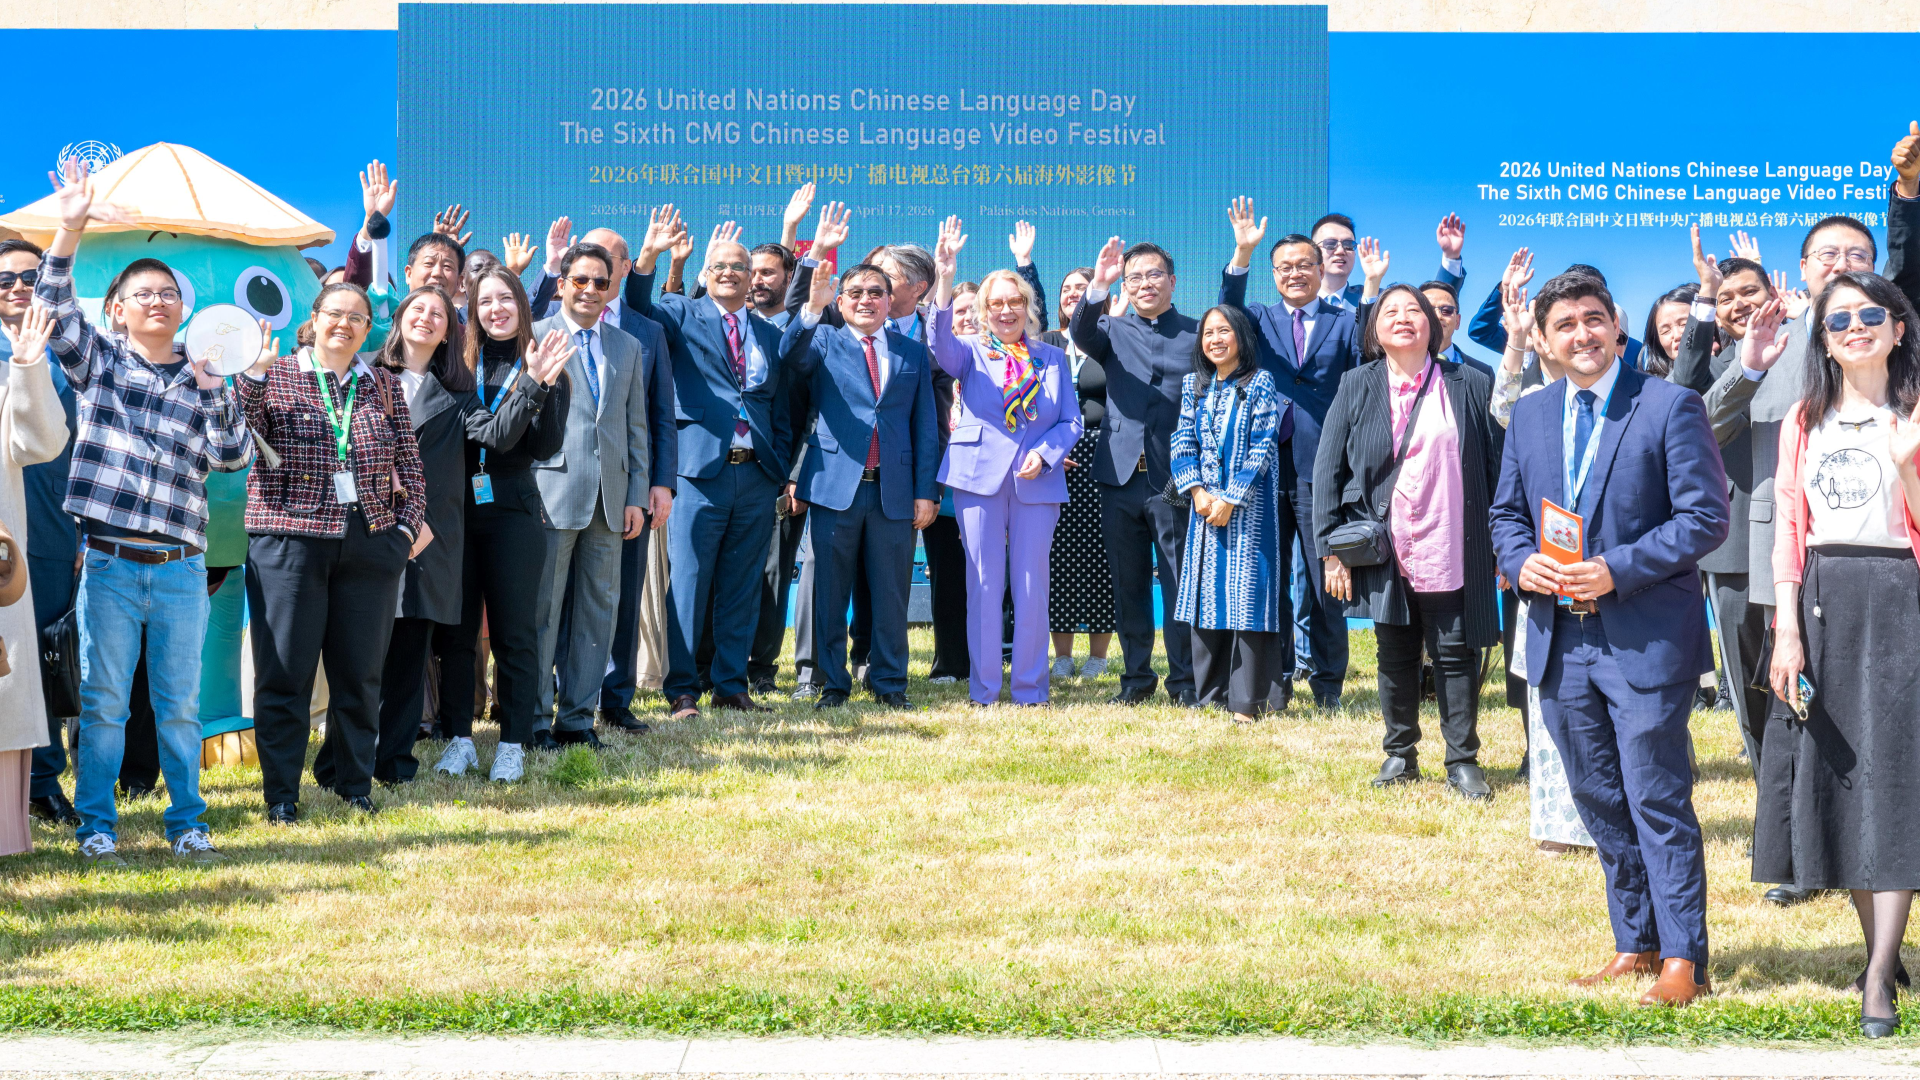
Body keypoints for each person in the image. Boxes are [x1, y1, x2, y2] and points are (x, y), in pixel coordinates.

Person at [1490, 272, 1730, 1007]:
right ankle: (1636, 941)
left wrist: (1615, 571)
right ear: (1543, 339)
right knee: (1596, 796)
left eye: (1593, 319)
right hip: (1559, 639)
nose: (1582, 335)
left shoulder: (1669, 405)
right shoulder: (1532, 413)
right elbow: (1506, 515)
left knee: (1656, 797)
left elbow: (1704, 518)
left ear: (1616, 326)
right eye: (1564, 325)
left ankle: (1684, 959)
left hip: (1643, 638)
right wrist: (1519, 562)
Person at [1709, 125, 1920, 908]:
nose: (1841, 263)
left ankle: (1864, 849)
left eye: (1857, 254)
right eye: (1826, 254)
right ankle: (1798, 846)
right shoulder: (1771, 338)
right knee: (1771, 707)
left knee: (1860, 713)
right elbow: (1705, 425)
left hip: (1858, 558)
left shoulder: (1873, 338)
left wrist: (1906, 196)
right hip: (1764, 551)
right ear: (1799, 269)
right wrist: (1749, 362)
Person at [38, 161, 252, 863]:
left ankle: (187, 821)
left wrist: (214, 388)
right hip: (110, 564)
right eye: (143, 294)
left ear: (182, 309)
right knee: (104, 703)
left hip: (182, 568)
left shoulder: (207, 376)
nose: (157, 301)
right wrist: (71, 226)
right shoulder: (98, 362)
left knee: (179, 706)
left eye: (168, 293)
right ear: (118, 310)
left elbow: (231, 456)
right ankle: (96, 826)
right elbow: (53, 303)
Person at [1757, 271, 1920, 1038]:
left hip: (1902, 598)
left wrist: (1910, 463)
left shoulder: (1915, 412)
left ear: (1897, 328)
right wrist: (1786, 629)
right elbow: (1789, 530)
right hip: (1824, 602)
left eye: (1869, 315)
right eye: (1837, 320)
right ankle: (1878, 948)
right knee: (1845, 778)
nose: (1855, 327)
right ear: (1821, 340)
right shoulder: (1803, 418)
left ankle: (1880, 974)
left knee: (1896, 779)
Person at [240, 282, 429, 821]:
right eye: (334, 314)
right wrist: (252, 378)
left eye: (357, 318)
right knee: (285, 673)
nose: (344, 324)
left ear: (369, 329)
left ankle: (353, 784)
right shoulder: (274, 374)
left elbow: (411, 467)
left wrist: (402, 532)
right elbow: (238, 437)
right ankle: (282, 795)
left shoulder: (383, 384)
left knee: (360, 674)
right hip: (289, 540)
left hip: (369, 543)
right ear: (314, 318)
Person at [1316, 284, 1503, 799]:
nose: (1403, 318)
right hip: (1385, 546)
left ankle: (1463, 760)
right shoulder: (1357, 383)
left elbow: (1495, 466)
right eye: (1390, 311)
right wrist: (1330, 551)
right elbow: (1328, 469)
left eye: (1414, 310)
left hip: (1452, 541)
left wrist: (1502, 544)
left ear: (1433, 324)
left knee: (1456, 653)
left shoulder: (1470, 382)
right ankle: (1400, 754)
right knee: (1394, 652)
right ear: (1374, 329)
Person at [630, 208, 790, 721]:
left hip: (756, 474)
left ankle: (730, 685)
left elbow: (779, 407)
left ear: (752, 277)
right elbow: (637, 307)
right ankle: (681, 690)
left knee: (743, 585)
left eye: (739, 267)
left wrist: (779, 467)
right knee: (689, 582)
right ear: (705, 272)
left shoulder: (769, 334)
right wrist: (649, 257)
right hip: (698, 473)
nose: (729, 273)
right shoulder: (681, 314)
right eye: (719, 265)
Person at [363, 285, 526, 785]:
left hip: (426, 541)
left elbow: (497, 436)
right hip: (365, 533)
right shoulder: (364, 375)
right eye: (418, 308)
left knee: (410, 656)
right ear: (398, 319)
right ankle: (345, 759)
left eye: (439, 313)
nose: (428, 318)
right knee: (360, 654)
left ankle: (393, 762)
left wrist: (536, 384)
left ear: (449, 333)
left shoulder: (458, 394)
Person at [529, 219, 676, 733]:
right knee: (543, 611)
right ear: (562, 283)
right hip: (551, 495)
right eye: (581, 280)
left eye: (601, 281)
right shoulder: (537, 337)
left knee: (599, 612)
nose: (591, 289)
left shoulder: (627, 345)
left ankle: (576, 720)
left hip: (611, 502)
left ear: (613, 286)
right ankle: (534, 719)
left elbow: (637, 428)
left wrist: (636, 495)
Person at [930, 216, 1081, 705]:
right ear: (983, 310)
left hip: (1037, 481)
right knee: (983, 584)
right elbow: (938, 344)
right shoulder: (969, 352)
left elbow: (1071, 421)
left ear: (1027, 307)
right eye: (996, 303)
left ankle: (1031, 688)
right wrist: (945, 279)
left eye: (1015, 301)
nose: (1006, 310)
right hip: (978, 479)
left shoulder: (1051, 358)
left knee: (1032, 587)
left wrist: (1045, 453)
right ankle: (985, 688)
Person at [1217, 200, 1361, 708]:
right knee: (1269, 576)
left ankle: (1328, 685)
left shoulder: (1346, 323)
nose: (1295, 273)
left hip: (1323, 465)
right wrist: (1243, 252)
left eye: (1304, 265)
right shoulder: (1258, 319)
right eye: (1284, 267)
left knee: (1327, 580)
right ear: (1274, 275)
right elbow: (1227, 309)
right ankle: (1275, 681)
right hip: (1263, 465)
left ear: (1321, 270)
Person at [780, 258, 939, 708]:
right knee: (830, 593)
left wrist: (925, 491)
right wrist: (812, 309)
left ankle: (889, 683)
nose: (866, 300)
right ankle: (833, 685)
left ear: (890, 301)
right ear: (841, 300)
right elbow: (790, 356)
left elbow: (925, 427)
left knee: (891, 594)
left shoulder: (912, 352)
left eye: (875, 293)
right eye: (856, 293)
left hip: (894, 491)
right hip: (834, 488)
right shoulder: (823, 340)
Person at [434, 267, 571, 781]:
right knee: (456, 635)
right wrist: (531, 386)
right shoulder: (458, 368)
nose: (496, 309)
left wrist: (545, 385)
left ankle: (513, 742)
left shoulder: (547, 365)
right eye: (485, 300)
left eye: (505, 299)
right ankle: (460, 740)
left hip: (514, 513)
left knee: (516, 635)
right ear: (473, 309)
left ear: (522, 305)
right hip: (458, 513)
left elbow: (542, 446)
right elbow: (490, 435)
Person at [1071, 233, 1197, 706]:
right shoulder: (1111, 328)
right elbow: (1081, 332)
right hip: (1119, 476)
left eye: (1154, 275)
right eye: (1135, 277)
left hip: (1174, 479)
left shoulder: (1196, 333)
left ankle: (1184, 682)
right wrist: (1099, 286)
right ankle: (1136, 679)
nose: (1145, 284)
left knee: (1179, 581)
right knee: (1128, 584)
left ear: (1172, 281)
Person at [1666, 228, 1772, 761]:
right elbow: (1681, 390)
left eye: (1749, 291)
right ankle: (1766, 778)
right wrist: (1705, 296)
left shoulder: (1809, 348)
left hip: (1806, 534)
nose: (1739, 304)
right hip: (1734, 546)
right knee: (1748, 676)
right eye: (1726, 298)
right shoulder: (1711, 365)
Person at [1170, 305, 1291, 721]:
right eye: (1208, 333)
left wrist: (1232, 498)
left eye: (1224, 331)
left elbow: (1264, 444)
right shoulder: (1194, 385)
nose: (1215, 339)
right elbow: (1182, 439)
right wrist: (1197, 492)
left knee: (1249, 598)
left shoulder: (1260, 382)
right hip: (1203, 510)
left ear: (1241, 336)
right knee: (1206, 598)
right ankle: (1211, 696)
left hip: (1250, 511)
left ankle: (1248, 702)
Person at [6, 239, 80, 829]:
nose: (17, 287)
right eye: (4, 279)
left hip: (54, 525)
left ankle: (43, 781)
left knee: (48, 653)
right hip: (2, 520)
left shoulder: (70, 354)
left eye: (30, 276)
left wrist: (82, 527)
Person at [1041, 265, 1114, 679]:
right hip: (1054, 458)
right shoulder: (1048, 342)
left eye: (1081, 288)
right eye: (1066, 288)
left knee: (1103, 557)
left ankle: (1098, 657)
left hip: (1103, 455)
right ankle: (1063, 656)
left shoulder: (1112, 340)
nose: (1072, 294)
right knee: (1058, 557)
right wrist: (1051, 449)